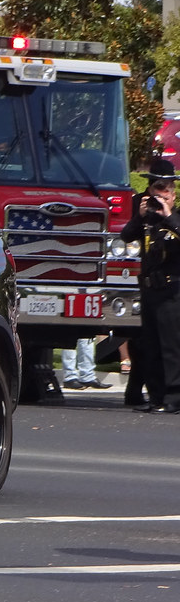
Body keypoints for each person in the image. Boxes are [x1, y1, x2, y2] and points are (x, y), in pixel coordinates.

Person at [120, 158, 180, 413]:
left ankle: (174, 398)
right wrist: (141, 216)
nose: (161, 194)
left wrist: (169, 216)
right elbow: (126, 235)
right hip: (149, 290)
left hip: (172, 291)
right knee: (150, 346)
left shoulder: (176, 218)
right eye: (157, 188)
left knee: (171, 347)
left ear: (173, 194)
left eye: (166, 190)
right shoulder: (147, 218)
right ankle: (156, 397)